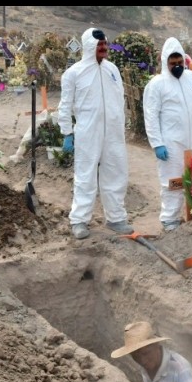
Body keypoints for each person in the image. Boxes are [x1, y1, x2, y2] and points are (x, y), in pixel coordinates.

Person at [58, 27, 133, 240]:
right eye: (99, 45)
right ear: (89, 46)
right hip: (88, 132)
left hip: (113, 133)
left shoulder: (112, 70)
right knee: (85, 176)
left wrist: (120, 125)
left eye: (105, 44)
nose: (104, 48)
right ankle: (79, 220)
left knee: (116, 173)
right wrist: (67, 132)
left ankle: (116, 218)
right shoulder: (74, 73)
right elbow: (65, 105)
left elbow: (120, 100)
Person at [143, 37, 192, 232]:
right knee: (173, 182)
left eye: (179, 62)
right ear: (165, 62)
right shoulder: (157, 85)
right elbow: (151, 115)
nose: (177, 66)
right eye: (172, 62)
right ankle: (170, 219)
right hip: (171, 144)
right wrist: (157, 143)